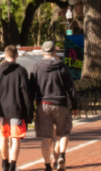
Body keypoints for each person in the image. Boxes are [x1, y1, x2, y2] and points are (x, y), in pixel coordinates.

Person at [31, 41, 79, 171]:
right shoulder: (62, 66)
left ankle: (47, 165)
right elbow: (71, 88)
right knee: (63, 133)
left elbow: (31, 88)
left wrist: (31, 107)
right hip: (60, 104)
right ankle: (61, 156)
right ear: (54, 52)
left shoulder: (36, 67)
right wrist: (74, 105)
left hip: (43, 104)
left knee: (46, 138)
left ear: (42, 52)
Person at [0, 45, 34, 171]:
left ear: (5, 55)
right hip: (17, 109)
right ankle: (13, 165)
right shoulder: (21, 71)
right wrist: (29, 111)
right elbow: (26, 93)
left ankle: (4, 163)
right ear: (16, 56)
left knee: (3, 137)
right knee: (15, 139)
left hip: (1, 110)